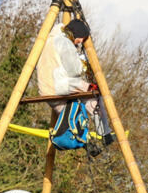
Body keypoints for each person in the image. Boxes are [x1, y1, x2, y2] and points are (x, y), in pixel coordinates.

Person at [34, 18, 114, 154]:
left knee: (70, 112)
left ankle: (83, 140)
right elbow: (74, 70)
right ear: (76, 34)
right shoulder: (64, 42)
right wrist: (82, 63)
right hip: (58, 85)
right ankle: (105, 133)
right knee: (93, 95)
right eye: (81, 38)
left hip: (46, 89)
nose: (81, 42)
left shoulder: (49, 40)